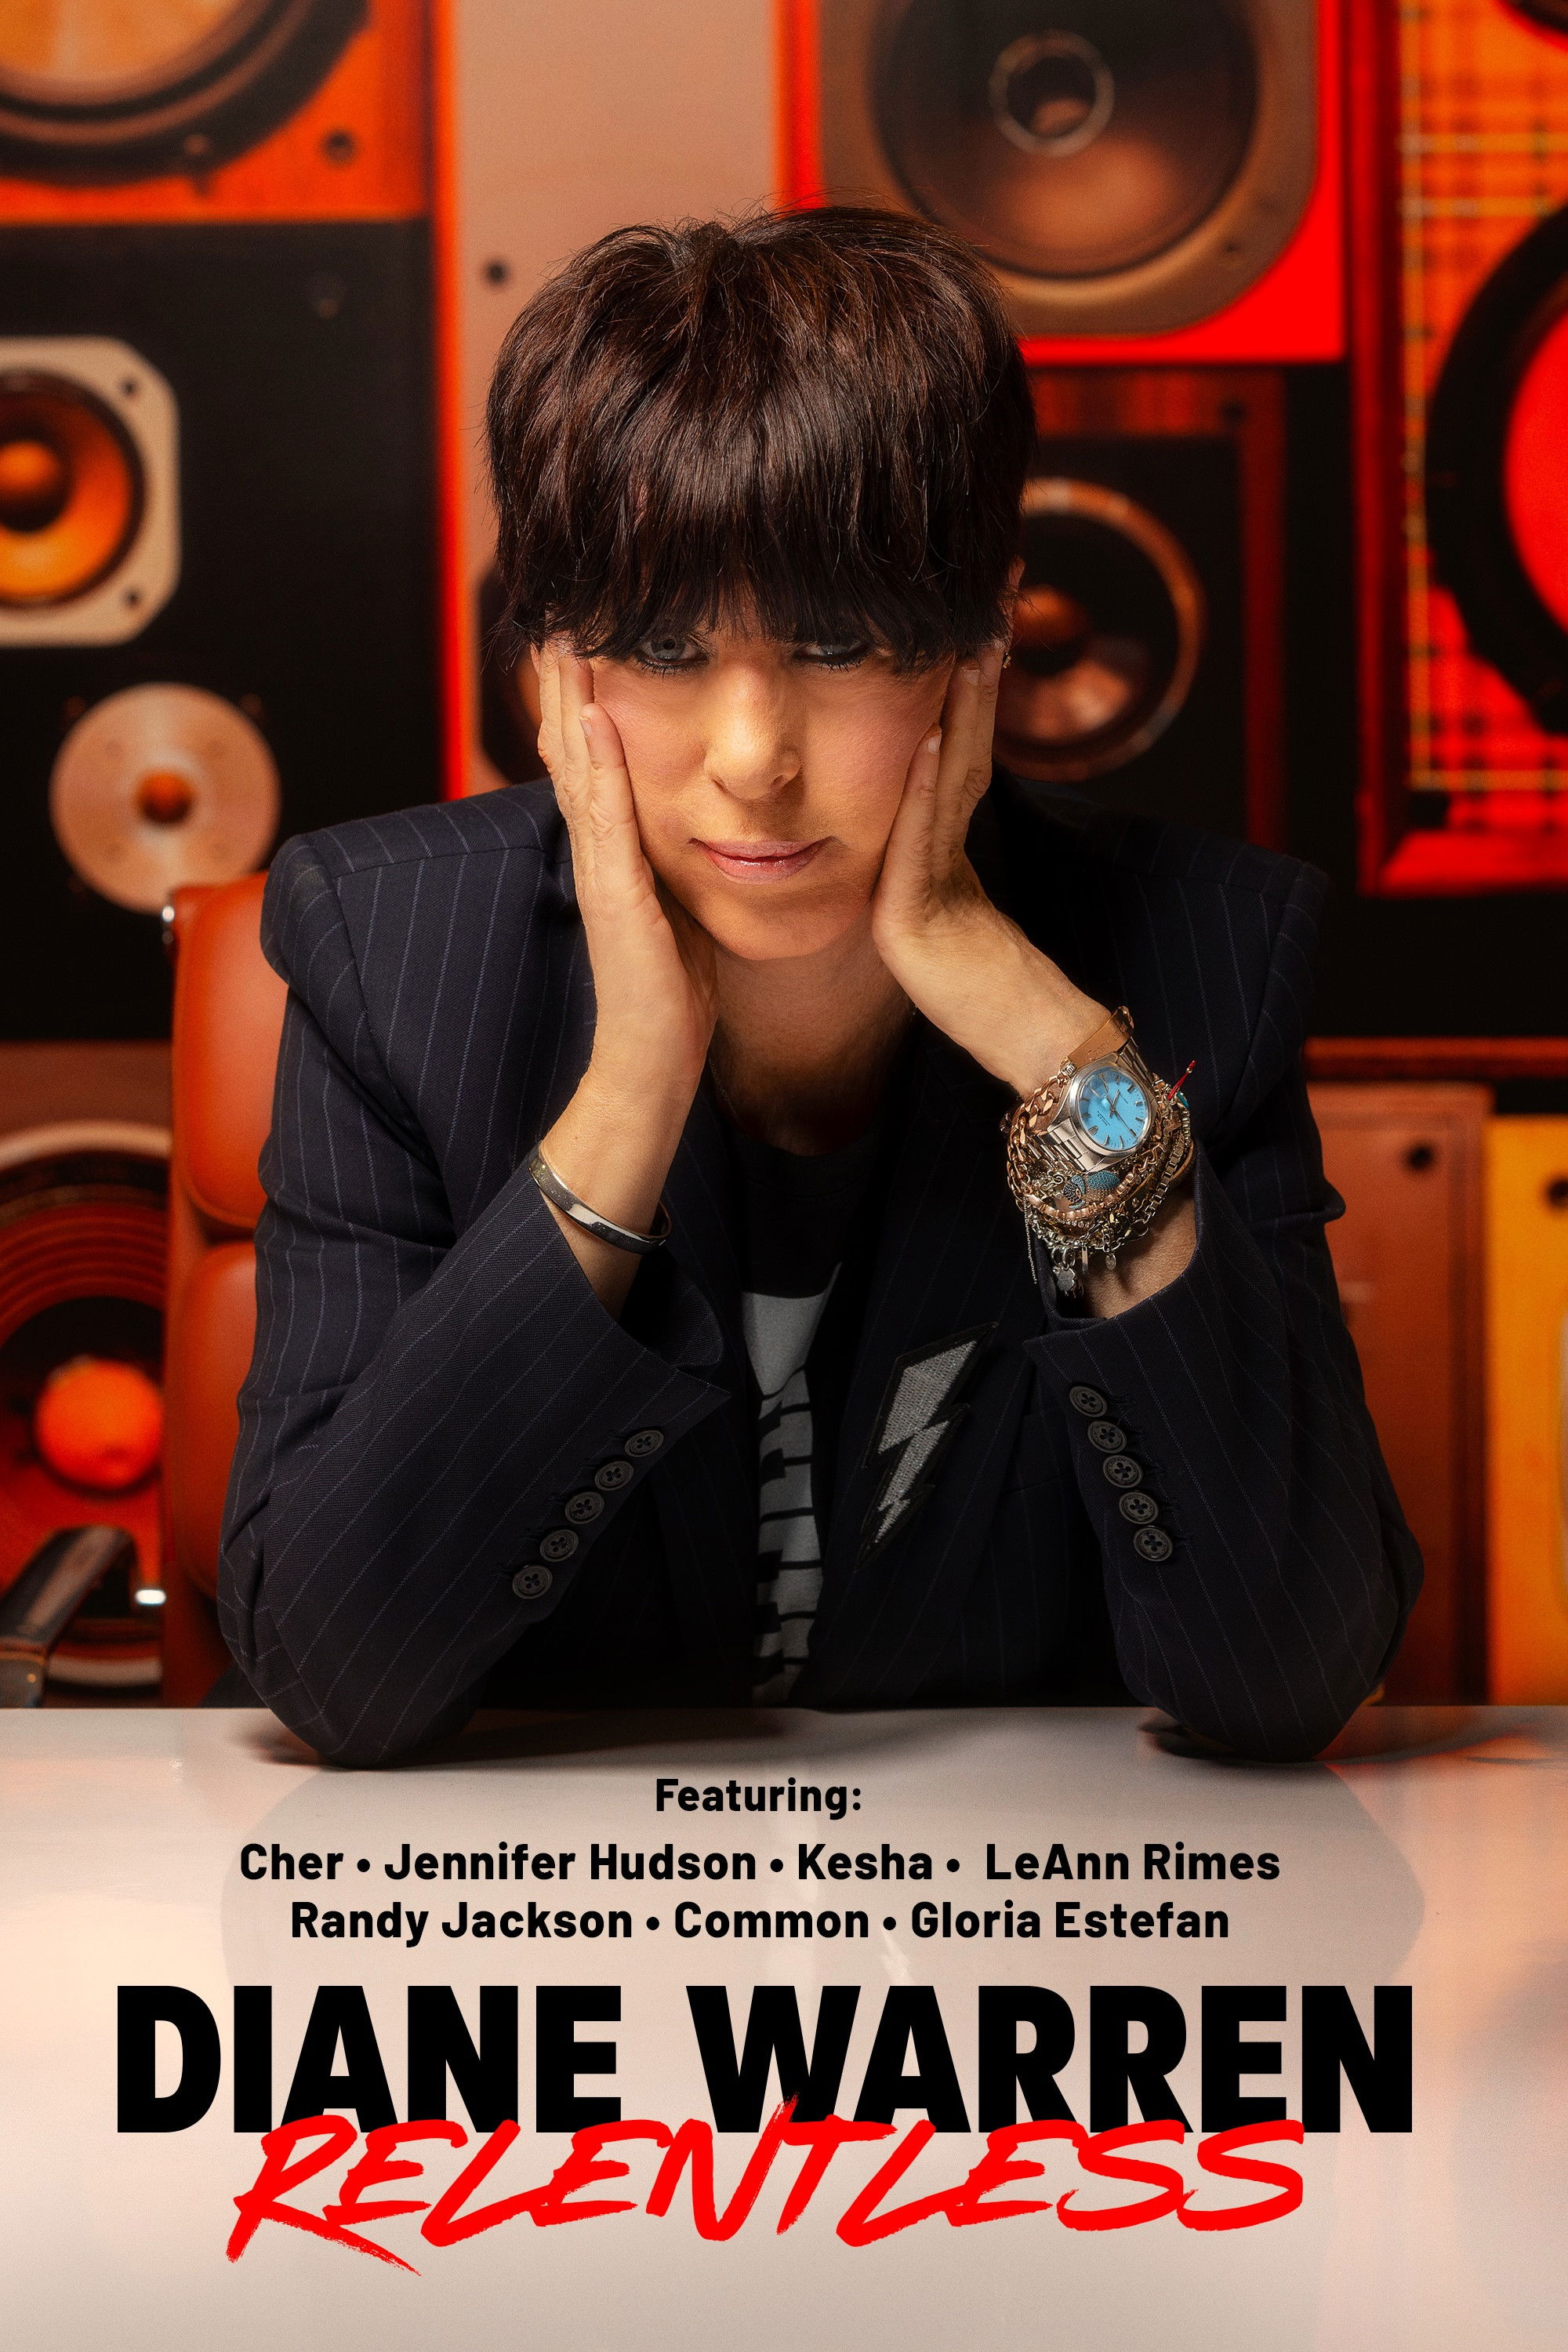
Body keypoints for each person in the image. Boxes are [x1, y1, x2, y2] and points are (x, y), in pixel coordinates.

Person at [218, 207, 1420, 1766]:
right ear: (556, 665)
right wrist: (634, 1082)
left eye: (839, 644)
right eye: (663, 649)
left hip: (1018, 1905)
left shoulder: (1199, 953)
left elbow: (1285, 1672)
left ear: (981, 640)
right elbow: (331, 1671)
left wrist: (1056, 1048)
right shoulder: (389, 954)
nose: (753, 758)